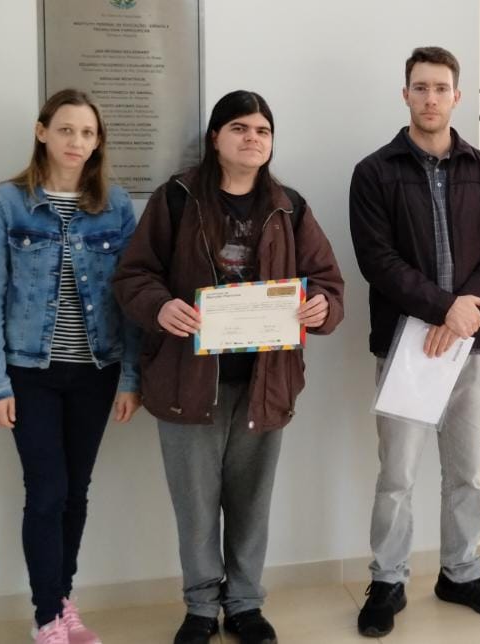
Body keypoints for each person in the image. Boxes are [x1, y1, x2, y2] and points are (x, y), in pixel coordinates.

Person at [112, 89, 344, 644]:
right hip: (187, 383)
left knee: (251, 504)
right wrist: (159, 306)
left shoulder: (290, 206)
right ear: (215, 137)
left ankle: (244, 604)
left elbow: (328, 282)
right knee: (195, 508)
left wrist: (322, 306)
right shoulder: (176, 199)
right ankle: (199, 608)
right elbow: (132, 276)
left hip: (264, 384)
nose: (252, 139)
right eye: (240, 128)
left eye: (263, 130)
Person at [349, 46, 480, 638]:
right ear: (406, 95)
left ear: (457, 96)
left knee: (467, 473)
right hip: (406, 344)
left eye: (441, 88)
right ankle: (388, 579)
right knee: (397, 474)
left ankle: (461, 571)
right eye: (420, 87)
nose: (430, 98)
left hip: (473, 343)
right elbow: (377, 259)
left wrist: (462, 312)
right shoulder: (374, 172)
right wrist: (444, 307)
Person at [0, 88, 142, 644]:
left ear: (98, 142)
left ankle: (64, 602)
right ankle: (46, 616)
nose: (76, 141)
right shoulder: (8, 202)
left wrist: (132, 377)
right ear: (42, 132)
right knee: (45, 492)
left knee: (75, 493)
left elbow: (131, 299)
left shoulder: (117, 205)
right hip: (30, 373)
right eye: (66, 129)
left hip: (96, 370)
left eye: (87, 132)